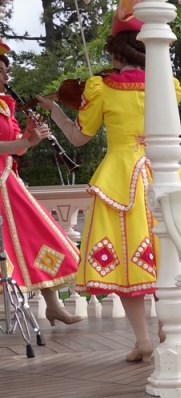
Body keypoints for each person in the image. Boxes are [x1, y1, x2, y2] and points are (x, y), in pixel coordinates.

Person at [40, 0, 181, 361]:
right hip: (164, 175)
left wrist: (55, 110)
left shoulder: (101, 87)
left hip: (119, 181)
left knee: (123, 262)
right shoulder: (169, 85)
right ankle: (169, 326)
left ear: (118, 53)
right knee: (169, 252)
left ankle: (143, 340)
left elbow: (78, 139)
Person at [0, 42, 82, 326]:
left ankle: (53, 304)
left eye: (6, 71)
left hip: (9, 181)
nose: (6, 77)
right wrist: (25, 141)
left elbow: (17, 149)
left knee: (37, 237)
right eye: (0, 71)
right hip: (4, 184)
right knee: (17, 243)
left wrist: (31, 135)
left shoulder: (6, 105)